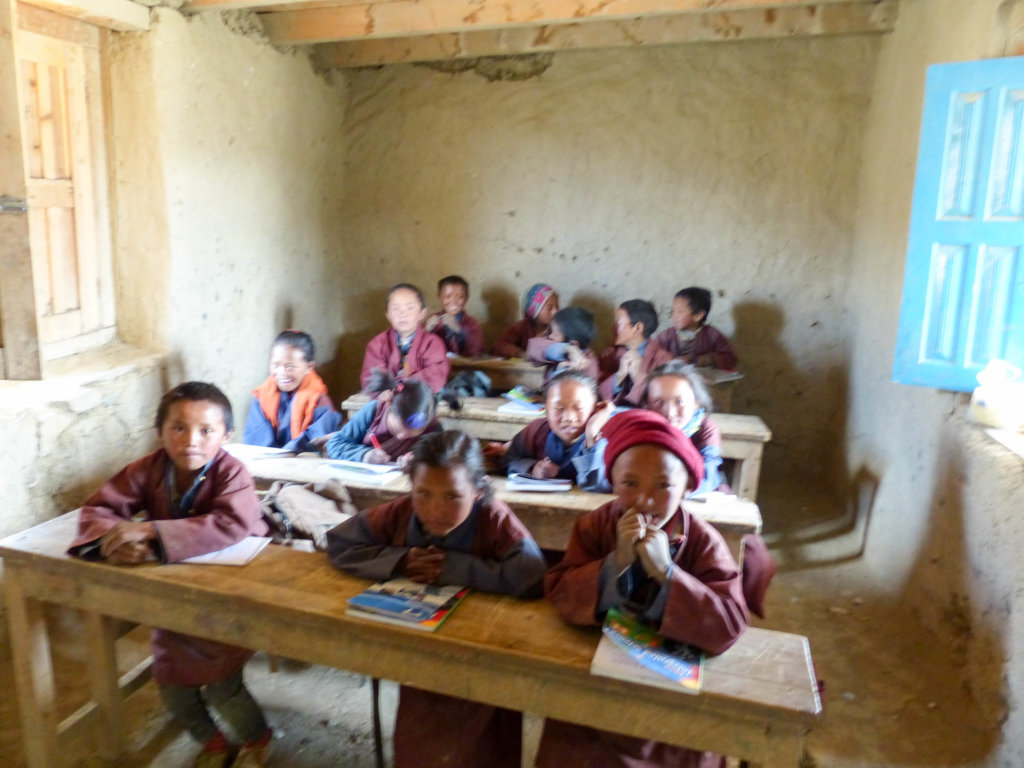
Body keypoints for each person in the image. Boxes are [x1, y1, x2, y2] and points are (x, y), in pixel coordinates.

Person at [67, 382, 272, 768]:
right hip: (173, 597)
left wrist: (148, 531)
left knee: (224, 685)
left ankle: (257, 738)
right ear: (160, 431)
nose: (191, 441)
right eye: (178, 428)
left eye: (206, 430)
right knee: (172, 681)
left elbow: (233, 523)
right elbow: (98, 511)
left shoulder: (232, 473)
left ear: (226, 435)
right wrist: (115, 542)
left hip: (226, 596)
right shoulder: (148, 470)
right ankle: (210, 743)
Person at [536, 409, 749, 768]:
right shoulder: (595, 525)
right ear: (612, 482)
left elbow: (728, 624)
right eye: (629, 484)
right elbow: (560, 591)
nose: (645, 501)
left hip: (670, 704)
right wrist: (615, 562)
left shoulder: (703, 542)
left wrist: (666, 573)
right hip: (596, 689)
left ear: (686, 487)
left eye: (663, 486)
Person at [326, 430, 547, 768]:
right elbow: (340, 542)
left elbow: (532, 575)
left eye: (452, 497)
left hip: (482, 655)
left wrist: (456, 568)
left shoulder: (494, 519)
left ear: (477, 490)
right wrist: (399, 561)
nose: (435, 510)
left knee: (481, 747)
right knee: (421, 739)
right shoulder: (401, 512)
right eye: (423, 494)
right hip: (420, 651)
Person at [502, 370, 615, 491]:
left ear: (595, 409)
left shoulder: (608, 438)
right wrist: (532, 468)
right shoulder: (536, 432)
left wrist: (592, 436)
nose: (569, 418)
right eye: (559, 409)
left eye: (579, 408)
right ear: (546, 410)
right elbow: (508, 460)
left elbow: (598, 487)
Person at [242, 329, 342, 453]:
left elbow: (316, 441)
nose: (282, 373)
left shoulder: (319, 402)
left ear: (309, 367)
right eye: (275, 365)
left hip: (305, 465)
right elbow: (256, 441)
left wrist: (285, 455)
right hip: (266, 463)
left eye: (290, 367)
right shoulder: (261, 398)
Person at [645, 360, 730, 497]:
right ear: (647, 406)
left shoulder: (705, 429)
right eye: (658, 402)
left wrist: (673, 492)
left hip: (694, 497)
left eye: (680, 402)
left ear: (696, 402)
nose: (670, 412)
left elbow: (709, 474)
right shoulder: (642, 428)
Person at [324, 373, 440, 465]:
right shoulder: (372, 412)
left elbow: (440, 458)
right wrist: (364, 455)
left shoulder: (432, 428)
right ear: (389, 402)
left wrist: (416, 461)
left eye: (409, 437)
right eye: (395, 430)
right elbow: (335, 444)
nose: (400, 438)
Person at [361, 283, 450, 393]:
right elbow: (371, 378)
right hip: (386, 402)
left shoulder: (433, 343)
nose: (403, 314)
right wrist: (386, 392)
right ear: (388, 315)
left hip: (419, 400)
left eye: (410, 308)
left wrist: (402, 385)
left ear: (422, 313)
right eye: (396, 308)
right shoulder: (377, 345)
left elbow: (436, 374)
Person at [598, 298, 674, 406]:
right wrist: (619, 375)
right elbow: (597, 390)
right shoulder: (611, 353)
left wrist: (636, 375)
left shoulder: (663, 359)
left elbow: (662, 399)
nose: (612, 327)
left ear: (638, 327)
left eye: (619, 323)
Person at [656, 287, 738, 371]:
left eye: (680, 312)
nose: (674, 316)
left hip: (705, 381)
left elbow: (731, 359)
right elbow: (654, 359)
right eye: (673, 310)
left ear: (698, 316)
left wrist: (707, 359)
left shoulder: (712, 334)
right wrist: (673, 360)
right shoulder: (665, 336)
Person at [525, 305, 600, 384]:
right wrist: (568, 349)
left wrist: (560, 373)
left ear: (573, 343)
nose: (550, 336)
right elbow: (534, 346)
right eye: (550, 331)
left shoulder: (587, 365)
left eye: (555, 334)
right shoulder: (562, 346)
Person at [491, 283, 559, 358]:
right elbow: (498, 346)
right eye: (549, 308)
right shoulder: (521, 327)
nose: (555, 311)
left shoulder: (560, 328)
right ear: (534, 311)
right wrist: (520, 354)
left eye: (557, 306)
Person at [425, 274, 486, 357]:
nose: (453, 301)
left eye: (460, 297)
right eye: (448, 296)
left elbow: (477, 352)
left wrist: (459, 330)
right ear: (439, 297)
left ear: (466, 298)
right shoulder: (432, 320)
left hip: (461, 367)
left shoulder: (472, 323)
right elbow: (417, 351)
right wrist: (427, 331)